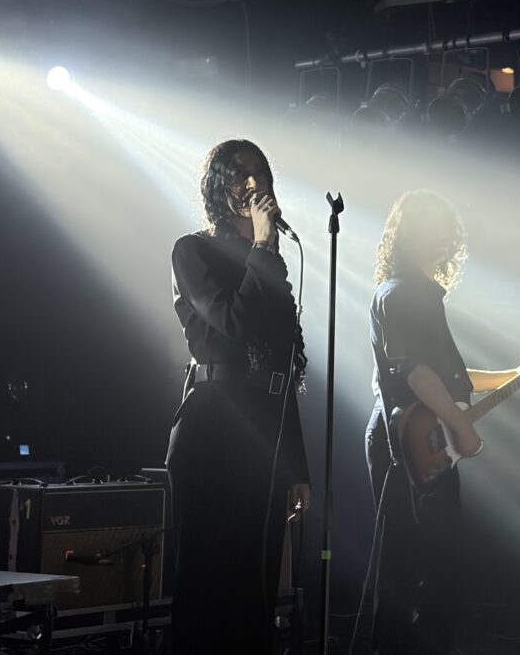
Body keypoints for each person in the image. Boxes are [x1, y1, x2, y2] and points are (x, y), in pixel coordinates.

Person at [366, 190, 520, 654]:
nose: (443, 239)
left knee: (433, 569)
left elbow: (452, 380)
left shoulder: (419, 294)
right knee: (410, 569)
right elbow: (417, 374)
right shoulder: (403, 293)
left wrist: (517, 375)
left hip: (422, 437)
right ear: (411, 235)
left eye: (447, 231)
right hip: (405, 442)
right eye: (434, 230)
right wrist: (460, 426)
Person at [167, 139, 310, 654]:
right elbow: (232, 325)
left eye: (259, 173)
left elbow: (282, 367)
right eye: (237, 173)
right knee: (211, 588)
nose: (252, 183)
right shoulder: (193, 251)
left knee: (258, 590)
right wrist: (263, 248)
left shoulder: (269, 262)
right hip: (213, 430)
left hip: (263, 437)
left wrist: (296, 465)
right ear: (216, 186)